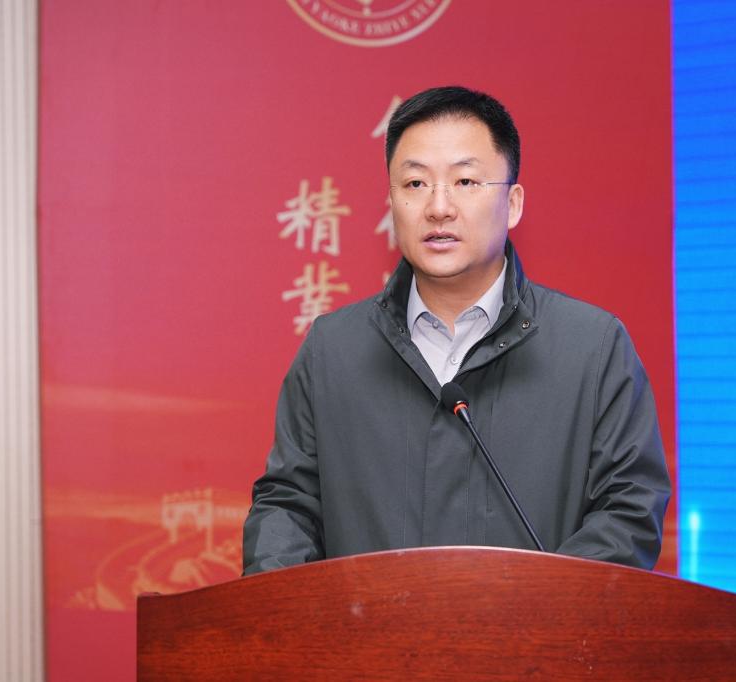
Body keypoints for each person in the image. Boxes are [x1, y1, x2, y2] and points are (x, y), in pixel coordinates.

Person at [242, 86, 670, 575]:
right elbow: (288, 506)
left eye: (465, 181)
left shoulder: (592, 348)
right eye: (415, 183)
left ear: (512, 203)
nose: (439, 207)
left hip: (535, 627)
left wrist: (532, 607)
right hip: (363, 628)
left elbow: (627, 512)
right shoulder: (333, 351)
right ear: (392, 203)